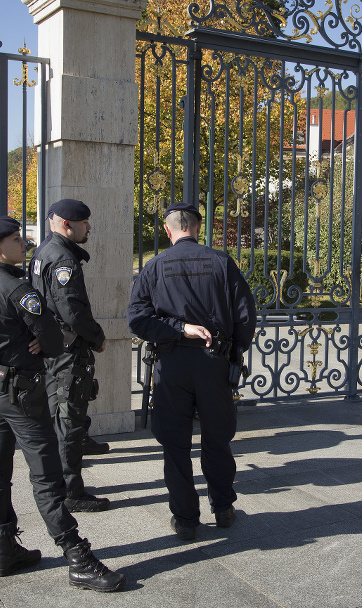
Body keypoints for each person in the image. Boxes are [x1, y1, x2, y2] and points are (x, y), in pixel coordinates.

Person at [0, 215, 125, 592]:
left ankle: (4, 547)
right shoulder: (15, 286)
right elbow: (52, 339)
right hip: (20, 391)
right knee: (47, 475)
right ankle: (77, 556)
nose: (24, 244)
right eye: (17, 239)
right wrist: (38, 340)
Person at [127, 201, 257, 540]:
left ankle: (185, 518)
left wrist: (176, 328)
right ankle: (223, 508)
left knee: (175, 444)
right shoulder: (221, 262)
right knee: (217, 439)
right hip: (215, 362)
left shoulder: (153, 267)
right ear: (198, 228)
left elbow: (138, 320)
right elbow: (245, 316)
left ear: (167, 230)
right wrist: (234, 352)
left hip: (172, 366)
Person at [29, 199, 111, 513]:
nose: (88, 227)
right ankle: (70, 491)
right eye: (84, 222)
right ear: (67, 224)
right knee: (68, 421)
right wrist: (98, 338)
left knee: (65, 416)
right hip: (68, 352)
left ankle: (66, 470)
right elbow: (72, 311)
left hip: (54, 348)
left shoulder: (44, 251)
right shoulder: (63, 258)